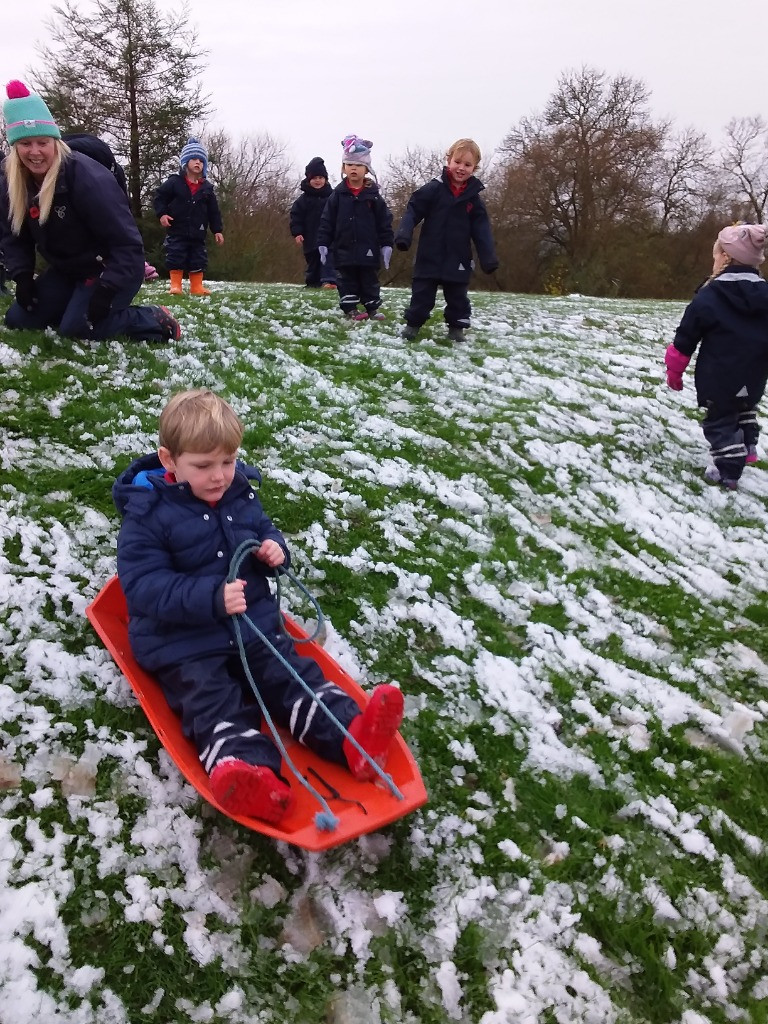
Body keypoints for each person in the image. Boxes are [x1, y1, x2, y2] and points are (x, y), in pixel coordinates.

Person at [113, 389, 405, 824]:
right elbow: (142, 588)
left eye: (228, 462)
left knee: (290, 676)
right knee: (210, 698)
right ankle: (248, 775)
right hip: (183, 642)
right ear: (169, 460)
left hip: (252, 625)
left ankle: (353, 738)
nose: (219, 476)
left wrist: (273, 550)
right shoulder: (149, 514)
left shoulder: (238, 493)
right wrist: (211, 599)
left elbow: (261, 528)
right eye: (204, 465)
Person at [0, 80, 181, 342]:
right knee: (18, 320)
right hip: (69, 271)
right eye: (26, 144)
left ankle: (153, 318)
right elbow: (12, 236)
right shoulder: (11, 181)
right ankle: (73, 306)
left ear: (55, 142)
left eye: (42, 142)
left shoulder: (86, 177)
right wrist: (23, 276)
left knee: (77, 330)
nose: (35, 152)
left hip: (111, 269)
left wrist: (108, 289)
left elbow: (127, 243)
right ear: (15, 147)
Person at [665, 223, 768, 491]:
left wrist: (674, 371)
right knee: (744, 408)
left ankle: (728, 469)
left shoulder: (710, 295)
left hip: (719, 377)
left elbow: (686, 336)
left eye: (715, 256)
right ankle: (748, 445)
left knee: (720, 420)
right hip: (755, 376)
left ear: (725, 257)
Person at [394, 138, 498, 343]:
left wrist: (488, 257)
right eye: (457, 162)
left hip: (458, 257)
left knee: (458, 297)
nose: (461, 168)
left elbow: (481, 229)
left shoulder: (473, 199)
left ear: (474, 168)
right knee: (422, 295)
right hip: (429, 255)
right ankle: (413, 324)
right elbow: (413, 209)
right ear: (448, 160)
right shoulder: (433, 189)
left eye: (467, 165)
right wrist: (404, 234)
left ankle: (457, 327)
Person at [316, 135, 393, 321]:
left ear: (366, 169)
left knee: (369, 281)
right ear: (344, 168)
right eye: (349, 164)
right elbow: (327, 220)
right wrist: (323, 243)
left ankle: (372, 308)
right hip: (343, 249)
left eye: (358, 165)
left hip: (368, 249)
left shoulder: (373, 197)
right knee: (346, 280)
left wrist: (386, 244)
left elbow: (384, 221)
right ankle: (350, 309)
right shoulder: (337, 195)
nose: (353, 168)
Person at [153, 138, 224, 296]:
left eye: (201, 160)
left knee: (198, 258)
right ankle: (176, 285)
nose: (198, 163)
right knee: (175, 255)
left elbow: (214, 211)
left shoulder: (207, 189)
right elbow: (159, 197)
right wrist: (162, 214)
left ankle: (196, 286)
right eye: (194, 159)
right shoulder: (174, 182)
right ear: (185, 162)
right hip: (177, 229)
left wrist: (217, 230)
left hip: (198, 232)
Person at [290, 156, 338, 289]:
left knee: (329, 258)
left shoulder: (333, 197)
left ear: (326, 179)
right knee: (313, 260)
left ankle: (329, 281)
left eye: (321, 178)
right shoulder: (303, 200)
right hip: (310, 237)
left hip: (330, 237)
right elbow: (296, 217)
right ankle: (313, 282)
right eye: (315, 178)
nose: (318, 181)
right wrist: (297, 232)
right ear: (309, 180)